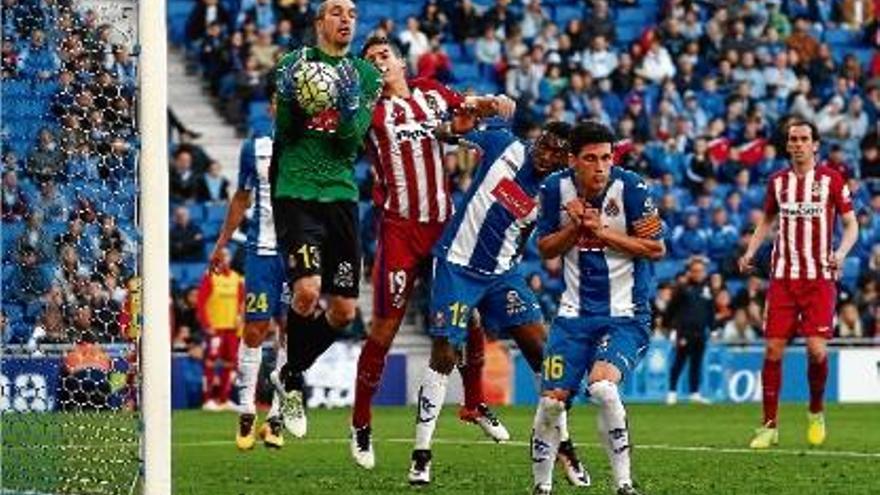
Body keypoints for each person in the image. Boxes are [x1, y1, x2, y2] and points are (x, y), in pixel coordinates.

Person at [349, 34, 517, 469]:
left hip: (444, 226)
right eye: (370, 60)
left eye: (384, 55)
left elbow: (466, 106)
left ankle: (474, 403)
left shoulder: (429, 91)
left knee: (471, 317)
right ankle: (361, 424)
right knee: (385, 329)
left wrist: (493, 102)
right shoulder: (370, 110)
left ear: (401, 62)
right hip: (400, 231)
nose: (379, 63)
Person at [407, 122, 588, 487]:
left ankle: (565, 446)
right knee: (444, 352)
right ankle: (421, 455)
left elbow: (544, 246)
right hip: (457, 264)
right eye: (543, 144)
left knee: (544, 352)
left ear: (563, 160)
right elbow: (448, 131)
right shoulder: (502, 142)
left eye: (555, 151)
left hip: (502, 275)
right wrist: (474, 111)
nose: (544, 153)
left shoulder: (554, 194)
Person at [530, 121, 665, 495]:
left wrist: (601, 231)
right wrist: (575, 227)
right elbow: (544, 249)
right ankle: (541, 487)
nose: (601, 167)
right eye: (591, 159)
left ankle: (623, 483)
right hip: (572, 319)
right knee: (551, 404)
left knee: (603, 388)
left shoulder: (633, 188)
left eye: (607, 157)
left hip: (624, 317)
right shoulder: (554, 189)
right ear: (573, 160)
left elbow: (656, 248)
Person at [269, 0, 382, 438]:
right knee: (307, 291)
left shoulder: (365, 74)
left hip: (340, 196)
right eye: (336, 11)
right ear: (319, 22)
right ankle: (294, 384)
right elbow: (287, 133)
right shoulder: (292, 65)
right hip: (296, 191)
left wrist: (348, 101)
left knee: (343, 310)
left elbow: (349, 144)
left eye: (352, 13)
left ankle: (290, 371)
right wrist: (298, 104)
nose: (346, 19)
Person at [739, 119, 858, 449]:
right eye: (793, 139)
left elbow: (851, 226)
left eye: (804, 139)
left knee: (817, 349)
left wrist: (842, 252)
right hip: (784, 279)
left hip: (819, 279)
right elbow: (767, 220)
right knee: (773, 349)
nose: (798, 144)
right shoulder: (778, 183)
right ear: (787, 145)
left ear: (815, 145)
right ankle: (768, 426)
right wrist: (750, 250)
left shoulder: (832, 180)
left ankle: (816, 411)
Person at [208, 85, 293, 450]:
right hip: (261, 249)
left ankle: (276, 416)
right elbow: (242, 197)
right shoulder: (253, 148)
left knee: (291, 332)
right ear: (272, 107)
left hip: (297, 252)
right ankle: (246, 409)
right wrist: (221, 243)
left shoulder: (312, 148)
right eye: (281, 102)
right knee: (256, 329)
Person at [196, 247, 245, 411]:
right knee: (210, 362)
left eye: (225, 256)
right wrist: (206, 325)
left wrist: (241, 321)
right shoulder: (209, 277)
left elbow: (241, 303)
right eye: (220, 257)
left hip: (232, 328)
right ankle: (207, 399)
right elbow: (201, 303)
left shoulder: (237, 278)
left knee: (230, 363)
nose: (223, 260)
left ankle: (224, 399)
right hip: (215, 328)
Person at [665, 257, 714, 405]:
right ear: (690, 273)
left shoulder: (707, 289)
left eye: (701, 271)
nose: (699, 274)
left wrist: (712, 327)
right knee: (679, 361)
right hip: (684, 332)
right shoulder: (683, 289)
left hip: (701, 332)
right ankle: (672, 392)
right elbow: (671, 309)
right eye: (695, 271)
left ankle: (694, 393)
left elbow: (710, 311)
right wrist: (671, 328)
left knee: (696, 363)